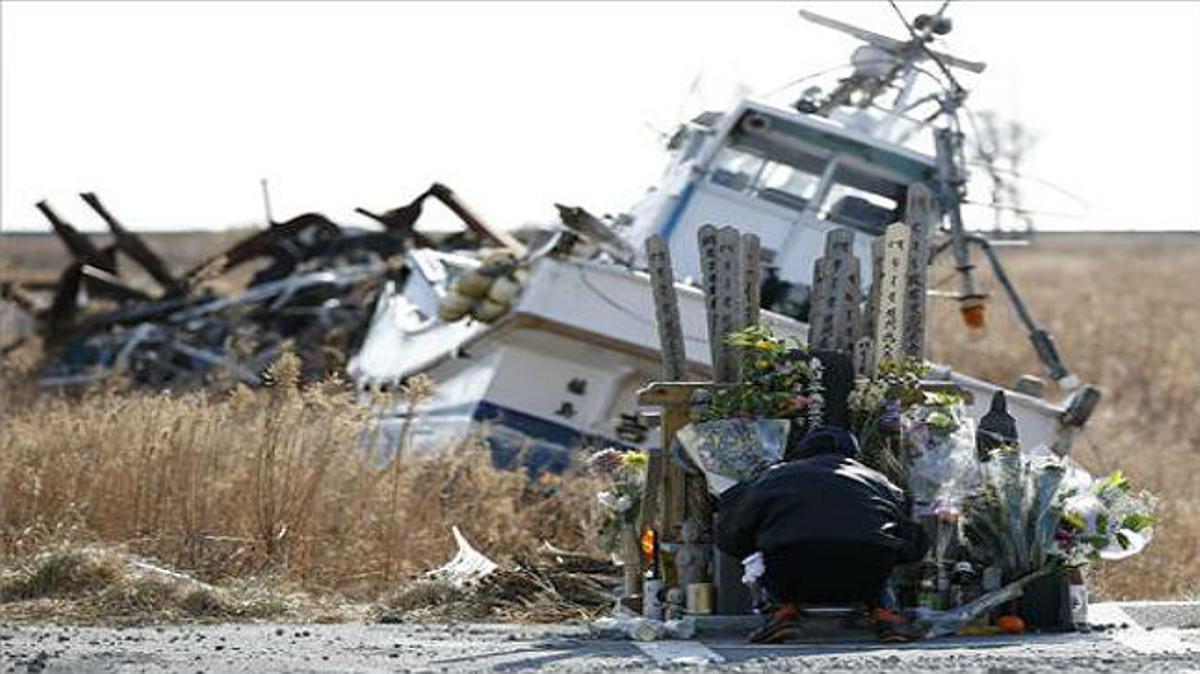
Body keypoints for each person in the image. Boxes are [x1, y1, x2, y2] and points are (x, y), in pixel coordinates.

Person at [715, 426, 927, 643]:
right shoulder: (879, 481)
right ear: (853, 454)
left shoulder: (774, 475)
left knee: (763, 556)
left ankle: (781, 613)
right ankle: (887, 615)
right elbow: (913, 539)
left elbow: (733, 533)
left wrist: (754, 546)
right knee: (878, 549)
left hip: (790, 570)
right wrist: (895, 556)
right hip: (866, 572)